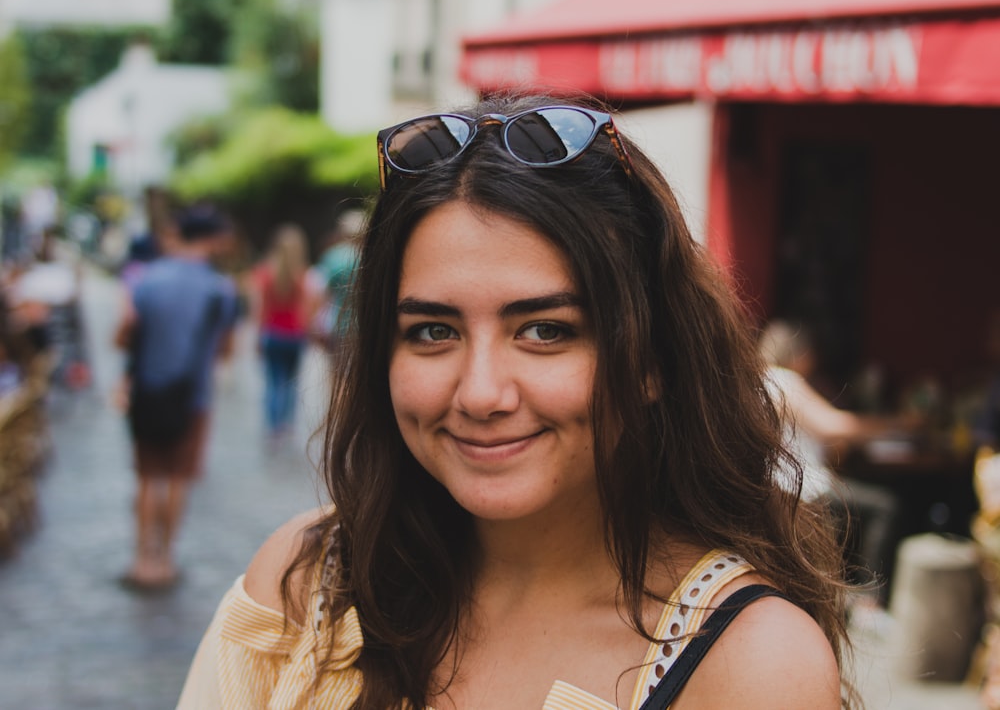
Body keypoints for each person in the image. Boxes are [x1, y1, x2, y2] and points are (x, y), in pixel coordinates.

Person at [178, 95, 856, 709]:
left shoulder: (750, 663)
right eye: (433, 331)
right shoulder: (308, 584)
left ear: (653, 360)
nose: (480, 393)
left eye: (545, 331)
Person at [114, 204, 238, 590]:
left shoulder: (146, 279)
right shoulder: (221, 288)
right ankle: (165, 560)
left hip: (148, 392)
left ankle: (141, 560)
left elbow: (122, 335)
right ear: (212, 239)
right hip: (192, 397)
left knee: (148, 479)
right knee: (177, 481)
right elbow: (226, 349)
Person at [758, 318, 914, 610]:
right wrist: (899, 424)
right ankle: (869, 602)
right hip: (801, 489)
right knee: (885, 506)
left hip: (778, 488)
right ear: (801, 354)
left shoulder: (761, 379)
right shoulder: (784, 380)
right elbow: (833, 426)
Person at [247, 223, 322, 438]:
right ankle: (287, 424)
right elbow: (309, 308)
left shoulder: (264, 273)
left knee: (273, 382)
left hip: (273, 334)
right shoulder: (303, 274)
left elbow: (258, 309)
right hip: (295, 335)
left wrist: (258, 336)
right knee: (291, 383)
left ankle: (274, 426)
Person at [310, 208, 364, 356]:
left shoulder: (333, 257)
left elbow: (319, 293)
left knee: (337, 370)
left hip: (337, 324)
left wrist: (315, 324)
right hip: (365, 324)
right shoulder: (371, 257)